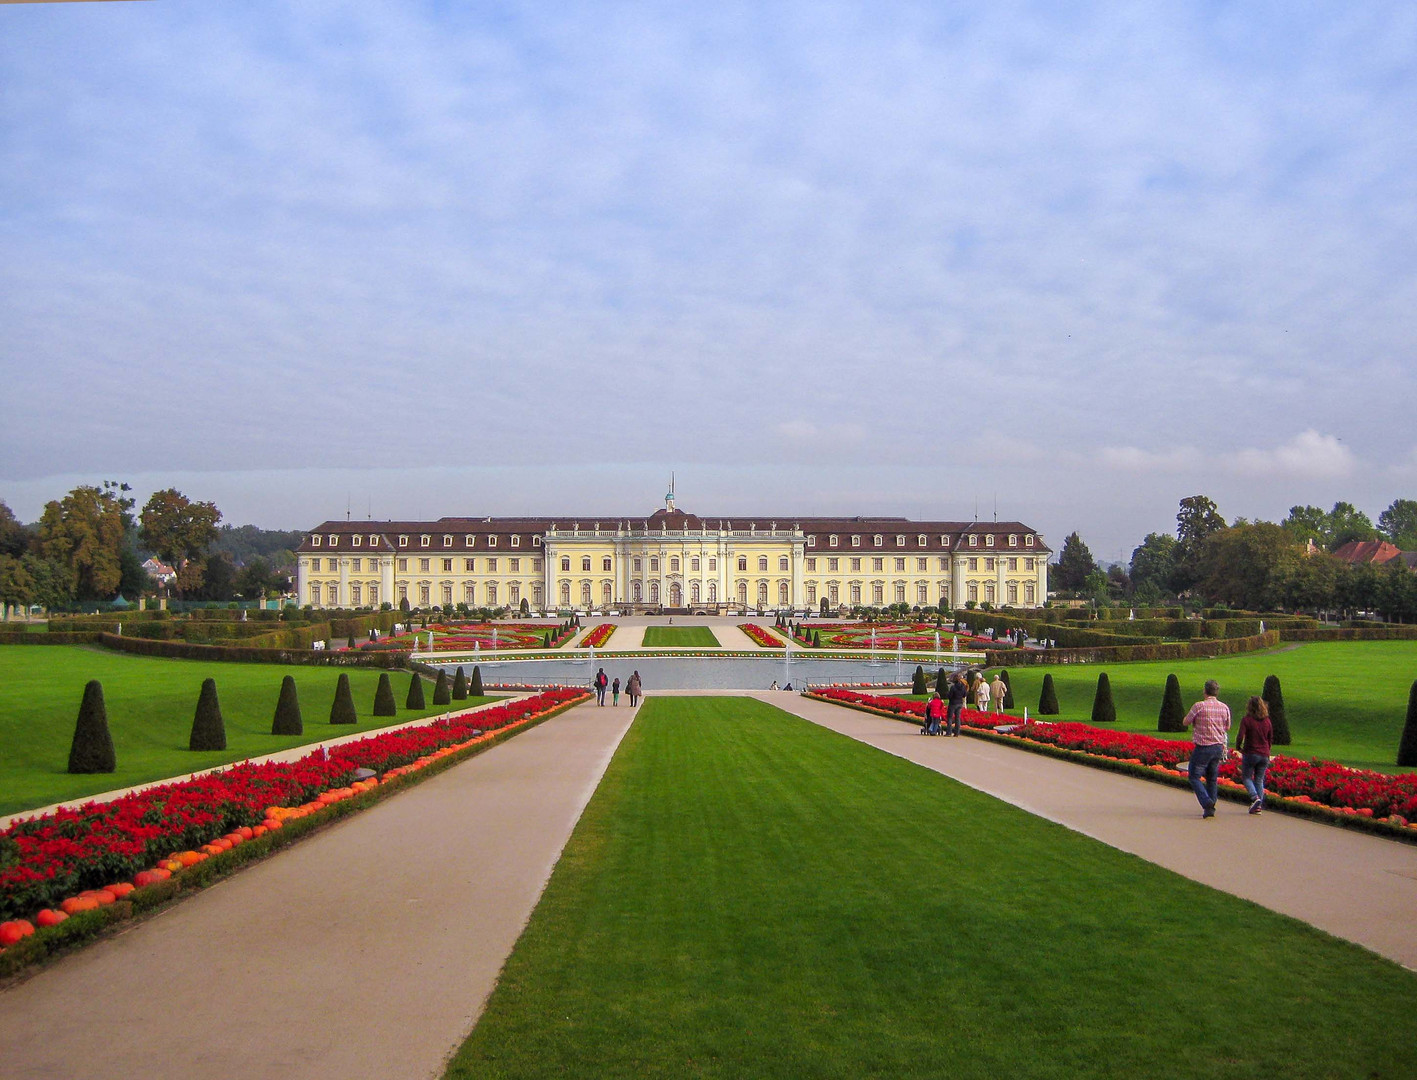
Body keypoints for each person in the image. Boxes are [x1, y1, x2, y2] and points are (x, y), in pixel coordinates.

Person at [1183, 679, 1232, 818]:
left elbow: (1185, 721)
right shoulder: (1224, 707)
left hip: (1203, 746)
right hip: (1218, 746)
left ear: (1205, 691)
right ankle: (1210, 806)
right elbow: (1227, 727)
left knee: (1194, 775)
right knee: (1212, 777)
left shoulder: (1199, 706)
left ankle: (1206, 802)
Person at [1236, 695, 1273, 814]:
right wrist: (1268, 750)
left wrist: (1238, 747)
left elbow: (1241, 735)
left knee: (1246, 777)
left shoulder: (1247, 720)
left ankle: (1255, 797)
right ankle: (1258, 806)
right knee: (1259, 779)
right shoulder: (1267, 721)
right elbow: (1270, 738)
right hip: (1264, 753)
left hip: (1251, 752)